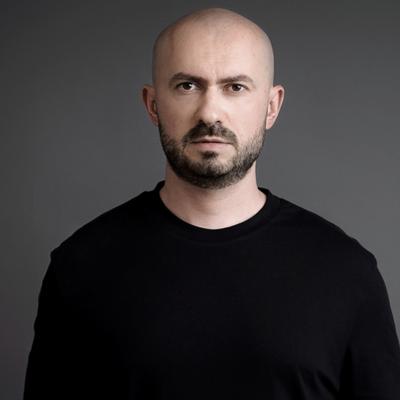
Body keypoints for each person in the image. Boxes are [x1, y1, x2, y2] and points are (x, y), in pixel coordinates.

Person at [23, 7, 400, 400]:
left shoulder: (346, 271)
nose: (210, 112)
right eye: (187, 85)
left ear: (272, 106)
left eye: (235, 87)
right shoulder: (81, 266)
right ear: (153, 104)